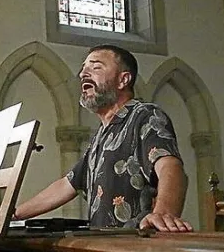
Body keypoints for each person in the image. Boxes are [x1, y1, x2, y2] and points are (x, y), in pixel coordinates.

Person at [14, 44, 193, 232]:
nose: (84, 73)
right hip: (104, 247)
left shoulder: (145, 115)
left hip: (135, 246)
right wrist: (14, 214)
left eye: (96, 67)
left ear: (123, 79)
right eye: (83, 68)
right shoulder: (102, 134)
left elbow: (170, 167)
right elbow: (66, 185)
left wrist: (164, 213)